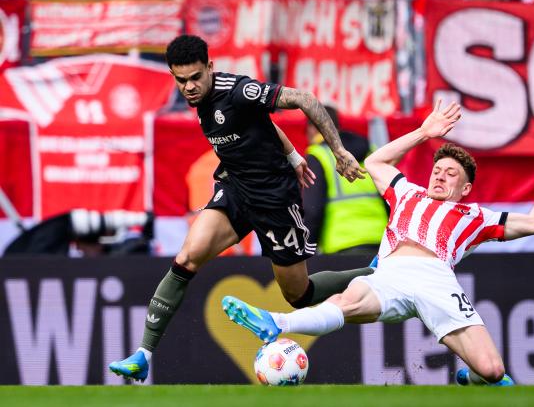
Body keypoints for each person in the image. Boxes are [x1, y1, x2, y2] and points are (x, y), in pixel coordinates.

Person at [221, 99, 534, 386]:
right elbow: (374, 161)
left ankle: (477, 377)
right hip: (390, 273)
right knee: (347, 300)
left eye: (451, 174)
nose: (440, 175)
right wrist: (423, 132)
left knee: (494, 371)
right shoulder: (408, 192)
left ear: (465, 189)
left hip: (436, 281)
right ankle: (276, 323)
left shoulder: (475, 217)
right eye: (438, 169)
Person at [109, 34, 370, 381]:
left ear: (210, 68)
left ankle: (371, 273)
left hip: (275, 198)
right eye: (181, 80)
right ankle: (142, 355)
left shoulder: (238, 91)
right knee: (187, 257)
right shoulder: (200, 99)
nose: (189, 87)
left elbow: (305, 99)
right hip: (234, 189)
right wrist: (293, 154)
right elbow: (260, 123)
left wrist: (338, 151)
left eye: (195, 78)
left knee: (298, 294)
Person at [304, 106, 388, 256]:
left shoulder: (318, 155)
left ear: (312, 128)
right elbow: (388, 196)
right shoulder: (371, 150)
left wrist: (307, 251)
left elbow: (312, 209)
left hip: (341, 244)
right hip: (381, 242)